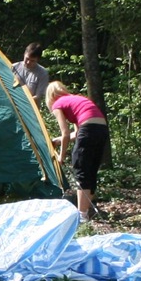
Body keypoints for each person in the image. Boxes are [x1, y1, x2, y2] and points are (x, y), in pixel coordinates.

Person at [44, 80, 110, 220]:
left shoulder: (57, 104)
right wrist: (57, 140)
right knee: (90, 170)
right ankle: (86, 209)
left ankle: (82, 217)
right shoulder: (77, 99)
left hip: (88, 129)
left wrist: (61, 157)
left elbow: (66, 133)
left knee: (81, 171)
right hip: (102, 129)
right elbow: (77, 133)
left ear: (50, 96)